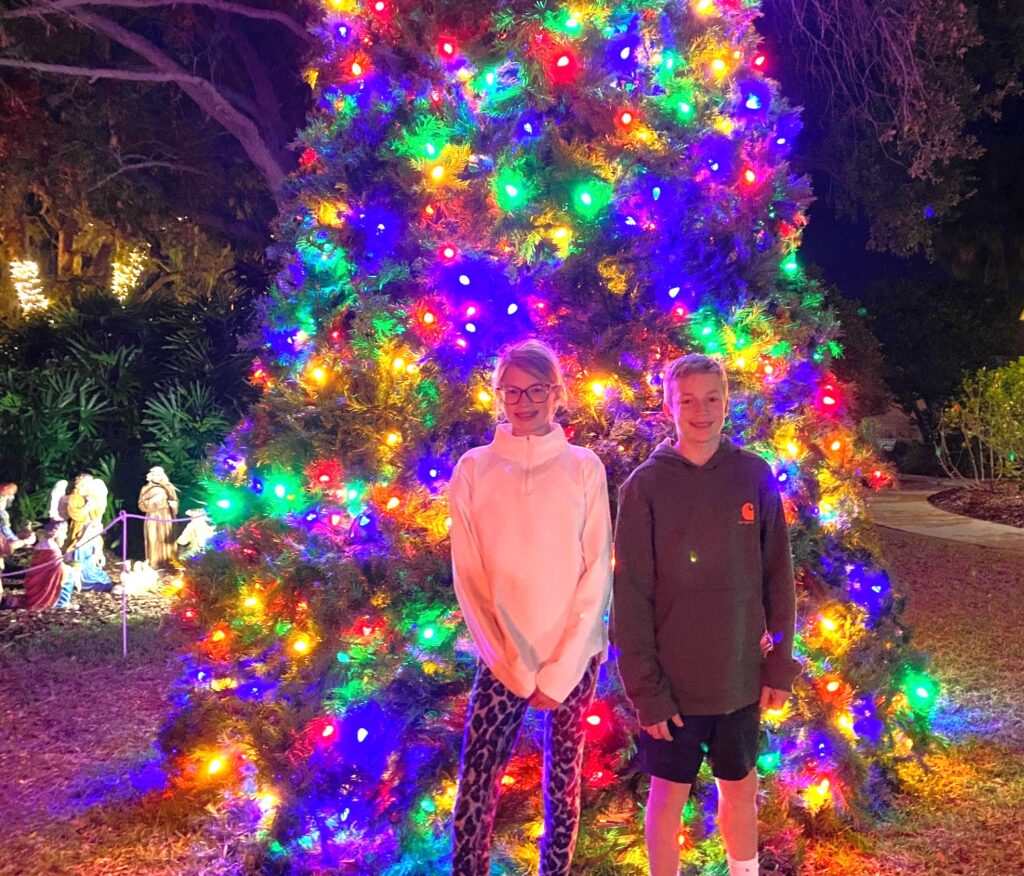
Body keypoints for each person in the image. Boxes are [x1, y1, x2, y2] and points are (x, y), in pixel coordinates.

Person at [612, 354, 799, 876]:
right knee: (666, 799)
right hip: (671, 691)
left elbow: (778, 579)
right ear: (670, 406)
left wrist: (778, 663)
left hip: (739, 681)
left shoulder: (753, 475)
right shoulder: (645, 487)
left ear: (726, 402)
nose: (701, 410)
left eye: (711, 398)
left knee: (740, 790)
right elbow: (629, 598)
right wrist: (646, 692)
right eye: (688, 400)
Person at [448, 338, 613, 876]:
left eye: (535, 389)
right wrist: (511, 664)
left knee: (563, 783)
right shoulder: (472, 470)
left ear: (556, 392)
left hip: (575, 655)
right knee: (478, 777)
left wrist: (562, 669)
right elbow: (469, 578)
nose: (523, 401)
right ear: (497, 395)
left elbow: (596, 572)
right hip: (503, 659)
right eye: (511, 391)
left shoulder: (584, 468)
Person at [23, 519, 80, 611]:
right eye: (64, 533)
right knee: (70, 576)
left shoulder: (47, 544)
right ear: (56, 533)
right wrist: (71, 570)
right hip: (46, 581)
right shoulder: (50, 548)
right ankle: (60, 602)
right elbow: (57, 569)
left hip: (43, 578)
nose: (65, 537)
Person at [138, 466, 179, 569]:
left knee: (167, 539)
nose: (155, 477)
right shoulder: (145, 488)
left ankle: (170, 563)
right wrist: (151, 501)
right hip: (152, 517)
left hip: (167, 517)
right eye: (153, 474)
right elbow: (141, 505)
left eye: (158, 475)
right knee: (153, 539)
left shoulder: (169, 487)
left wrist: (174, 506)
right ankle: (154, 564)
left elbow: (174, 502)